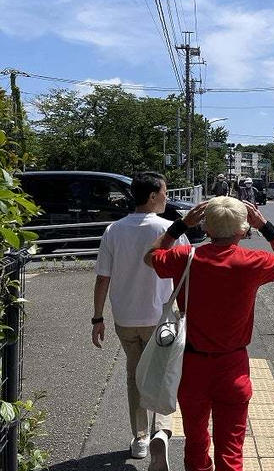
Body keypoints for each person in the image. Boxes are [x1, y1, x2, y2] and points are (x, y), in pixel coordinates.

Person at [143, 196, 274, 471]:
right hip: (233, 366)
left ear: (205, 228)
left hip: (191, 365)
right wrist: (264, 225)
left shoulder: (185, 257)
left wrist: (180, 225)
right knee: (231, 448)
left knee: (196, 440)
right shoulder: (253, 262)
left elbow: (150, 257)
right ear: (243, 230)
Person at [92, 171, 191, 469]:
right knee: (164, 374)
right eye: (164, 192)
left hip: (125, 318)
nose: (166, 197)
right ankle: (161, 429)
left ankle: (139, 438)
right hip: (160, 317)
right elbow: (186, 273)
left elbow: (102, 279)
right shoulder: (169, 229)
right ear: (151, 196)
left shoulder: (113, 230)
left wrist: (97, 318)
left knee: (135, 376)